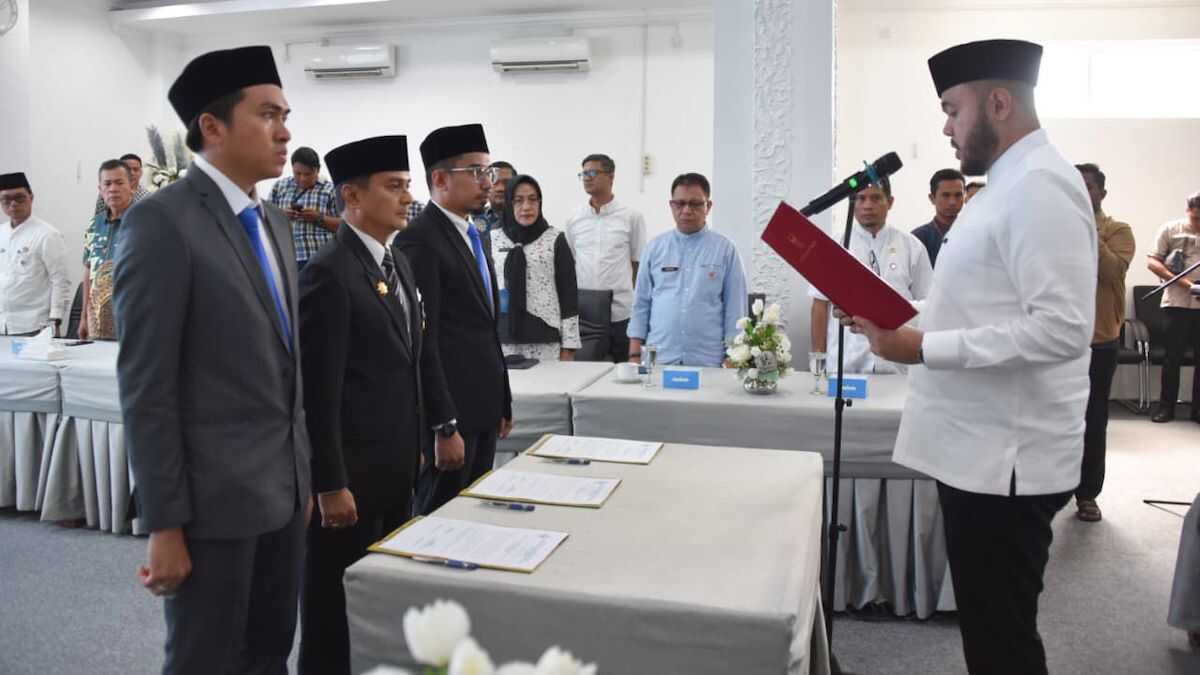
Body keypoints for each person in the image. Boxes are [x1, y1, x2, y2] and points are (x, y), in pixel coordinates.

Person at [843, 39, 1096, 674]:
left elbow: (1063, 330)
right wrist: (896, 321)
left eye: (953, 110)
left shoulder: (1040, 187)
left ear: (1000, 103)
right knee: (989, 633)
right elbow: (977, 303)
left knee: (1002, 639)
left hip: (1007, 463)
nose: (947, 127)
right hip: (979, 452)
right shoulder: (1003, 188)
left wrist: (923, 346)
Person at [113, 45, 311, 674]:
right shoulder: (162, 224)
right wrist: (164, 523)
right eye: (267, 115)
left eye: (285, 115)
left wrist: (302, 473)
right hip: (212, 505)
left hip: (283, 493)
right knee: (207, 660)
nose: (285, 132)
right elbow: (148, 387)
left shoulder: (274, 222)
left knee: (268, 654)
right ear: (212, 126)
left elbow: (283, 366)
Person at [297, 135, 423, 675]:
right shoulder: (329, 272)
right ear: (352, 195)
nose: (407, 197)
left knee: (378, 604)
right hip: (348, 480)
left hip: (393, 469)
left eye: (408, 185)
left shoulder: (398, 263)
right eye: (394, 187)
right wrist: (328, 482)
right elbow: (317, 391)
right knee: (332, 609)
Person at [395, 123, 513, 514]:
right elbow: (425, 342)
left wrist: (503, 400)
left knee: (476, 513)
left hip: (483, 405)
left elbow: (485, 328)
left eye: (489, 171)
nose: (487, 182)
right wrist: (442, 425)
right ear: (440, 178)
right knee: (441, 517)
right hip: (453, 415)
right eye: (476, 172)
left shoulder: (473, 233)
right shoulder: (420, 239)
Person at [810, 176, 932, 374]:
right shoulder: (835, 246)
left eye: (876, 198)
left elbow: (927, 302)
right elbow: (820, 306)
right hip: (846, 365)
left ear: (890, 202)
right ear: (852, 203)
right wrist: (817, 361)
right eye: (861, 198)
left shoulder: (911, 246)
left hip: (898, 365)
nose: (867, 205)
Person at [627, 173, 746, 368]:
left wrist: (733, 357)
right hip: (659, 357)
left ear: (708, 206)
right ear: (671, 206)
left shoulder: (725, 250)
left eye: (695, 204)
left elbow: (735, 309)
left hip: (708, 360)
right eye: (680, 203)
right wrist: (634, 355)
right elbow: (640, 304)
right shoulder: (654, 248)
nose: (687, 210)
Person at [1074, 162, 1135, 522]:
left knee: (1094, 420)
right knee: (1056, 418)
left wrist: (1087, 230)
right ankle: (1054, 489)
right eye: (1075, 187)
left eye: (1088, 187)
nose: (1082, 193)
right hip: (1061, 342)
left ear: (1102, 193)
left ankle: (1087, 494)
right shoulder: (1057, 229)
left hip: (1099, 341)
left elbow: (1111, 271)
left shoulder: (1118, 230)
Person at [564, 153, 646, 363]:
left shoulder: (631, 217)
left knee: (624, 373)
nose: (587, 178)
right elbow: (572, 262)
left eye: (593, 172)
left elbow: (638, 263)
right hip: (586, 315)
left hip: (621, 312)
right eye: (583, 174)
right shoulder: (574, 219)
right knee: (586, 373)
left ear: (611, 176)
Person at [490, 174, 580, 361]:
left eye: (533, 200)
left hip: (545, 337)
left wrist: (569, 346)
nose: (526, 207)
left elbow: (569, 295)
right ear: (508, 203)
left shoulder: (555, 239)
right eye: (518, 201)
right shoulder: (492, 239)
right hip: (502, 340)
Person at [1147, 191, 1200, 423]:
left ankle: (1197, 410)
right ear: (1188, 210)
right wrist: (1186, 284)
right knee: (1172, 358)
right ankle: (1166, 408)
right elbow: (1152, 261)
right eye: (1196, 218)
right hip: (1177, 303)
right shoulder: (1170, 230)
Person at [0, 172, 71, 336]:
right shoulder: (1, 233)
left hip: (33, 326)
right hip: (3, 325)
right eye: (6, 200)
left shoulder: (47, 234)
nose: (13, 204)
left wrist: (56, 319)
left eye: (19, 198)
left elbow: (60, 280)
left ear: (31, 198)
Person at [80, 159, 136, 341]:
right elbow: (88, 272)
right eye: (107, 183)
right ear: (100, 190)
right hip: (97, 321)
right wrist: (83, 318)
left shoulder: (146, 222)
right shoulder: (94, 224)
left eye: (119, 183)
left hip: (134, 318)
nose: (113, 189)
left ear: (131, 186)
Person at [269, 146, 339, 270]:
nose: (302, 178)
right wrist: (281, 215)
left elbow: (345, 227)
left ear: (317, 170)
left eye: (308, 174)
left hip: (322, 260)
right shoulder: (280, 187)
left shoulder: (331, 190)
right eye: (298, 173)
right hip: (286, 260)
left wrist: (319, 218)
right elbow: (264, 220)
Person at [911, 168, 965, 267]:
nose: (952, 202)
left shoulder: (975, 233)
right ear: (932, 198)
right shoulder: (917, 238)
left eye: (958, 195)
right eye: (946, 195)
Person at [472, 160, 516, 236]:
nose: (500, 188)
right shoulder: (471, 220)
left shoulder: (526, 220)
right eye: (494, 182)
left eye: (507, 183)